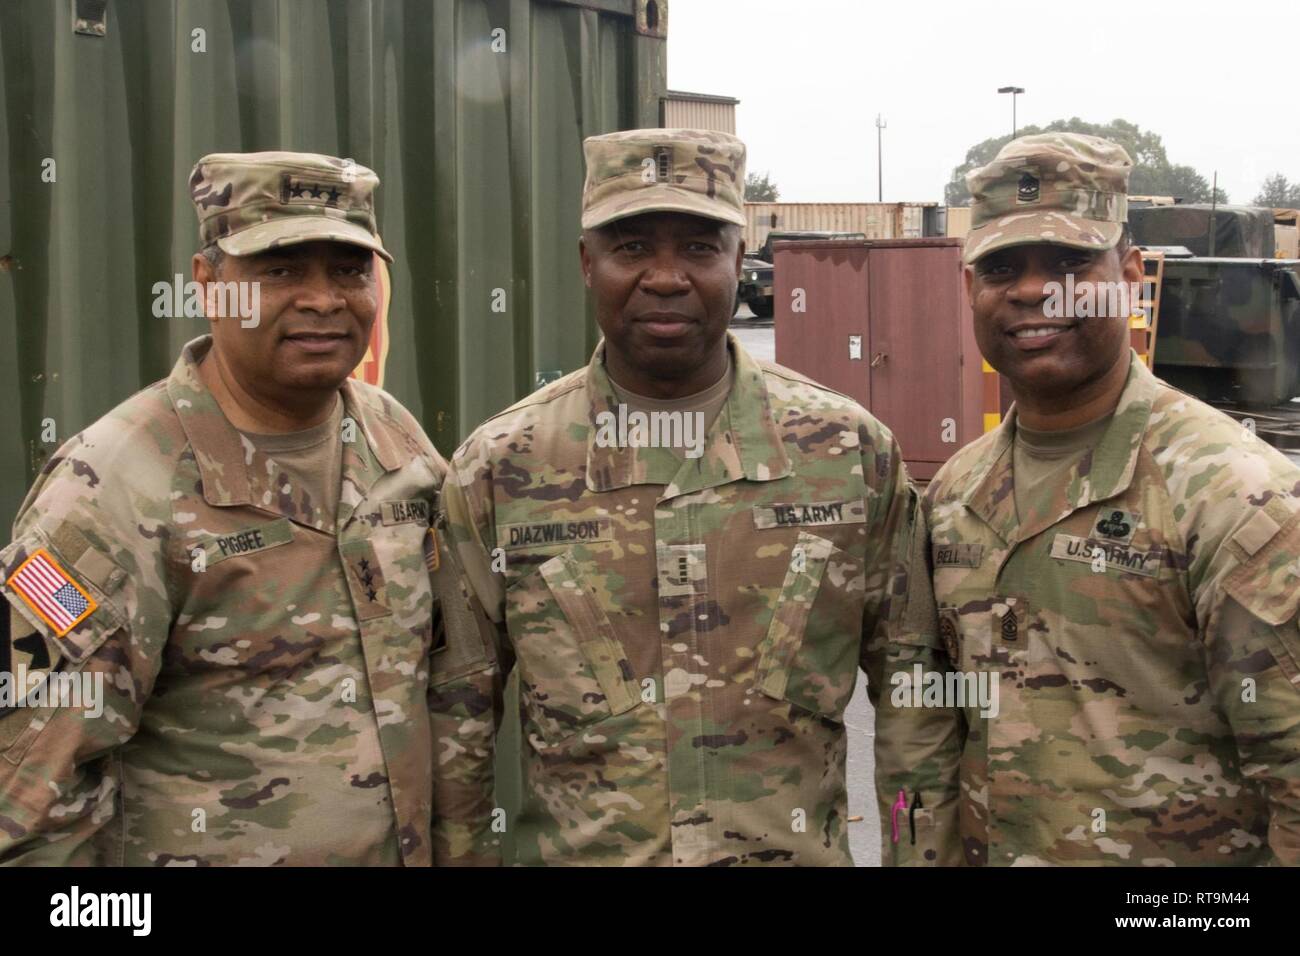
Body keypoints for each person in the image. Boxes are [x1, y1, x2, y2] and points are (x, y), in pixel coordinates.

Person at [437, 128, 923, 866]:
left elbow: (918, 707)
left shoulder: (848, 455)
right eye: (631, 248)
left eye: (699, 248)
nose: (666, 278)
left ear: (739, 260)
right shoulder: (502, 470)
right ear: (586, 264)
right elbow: (455, 728)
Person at [0, 151, 490, 865]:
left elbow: (449, 687)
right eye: (280, 270)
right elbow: (29, 804)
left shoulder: (396, 444)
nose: (323, 299)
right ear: (209, 285)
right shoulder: (109, 487)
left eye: (349, 271)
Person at [909, 132, 1300, 865]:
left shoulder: (1233, 494)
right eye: (1000, 268)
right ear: (970, 291)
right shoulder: (957, 491)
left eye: (1068, 264)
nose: (1031, 291)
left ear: (1128, 276)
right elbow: (936, 733)